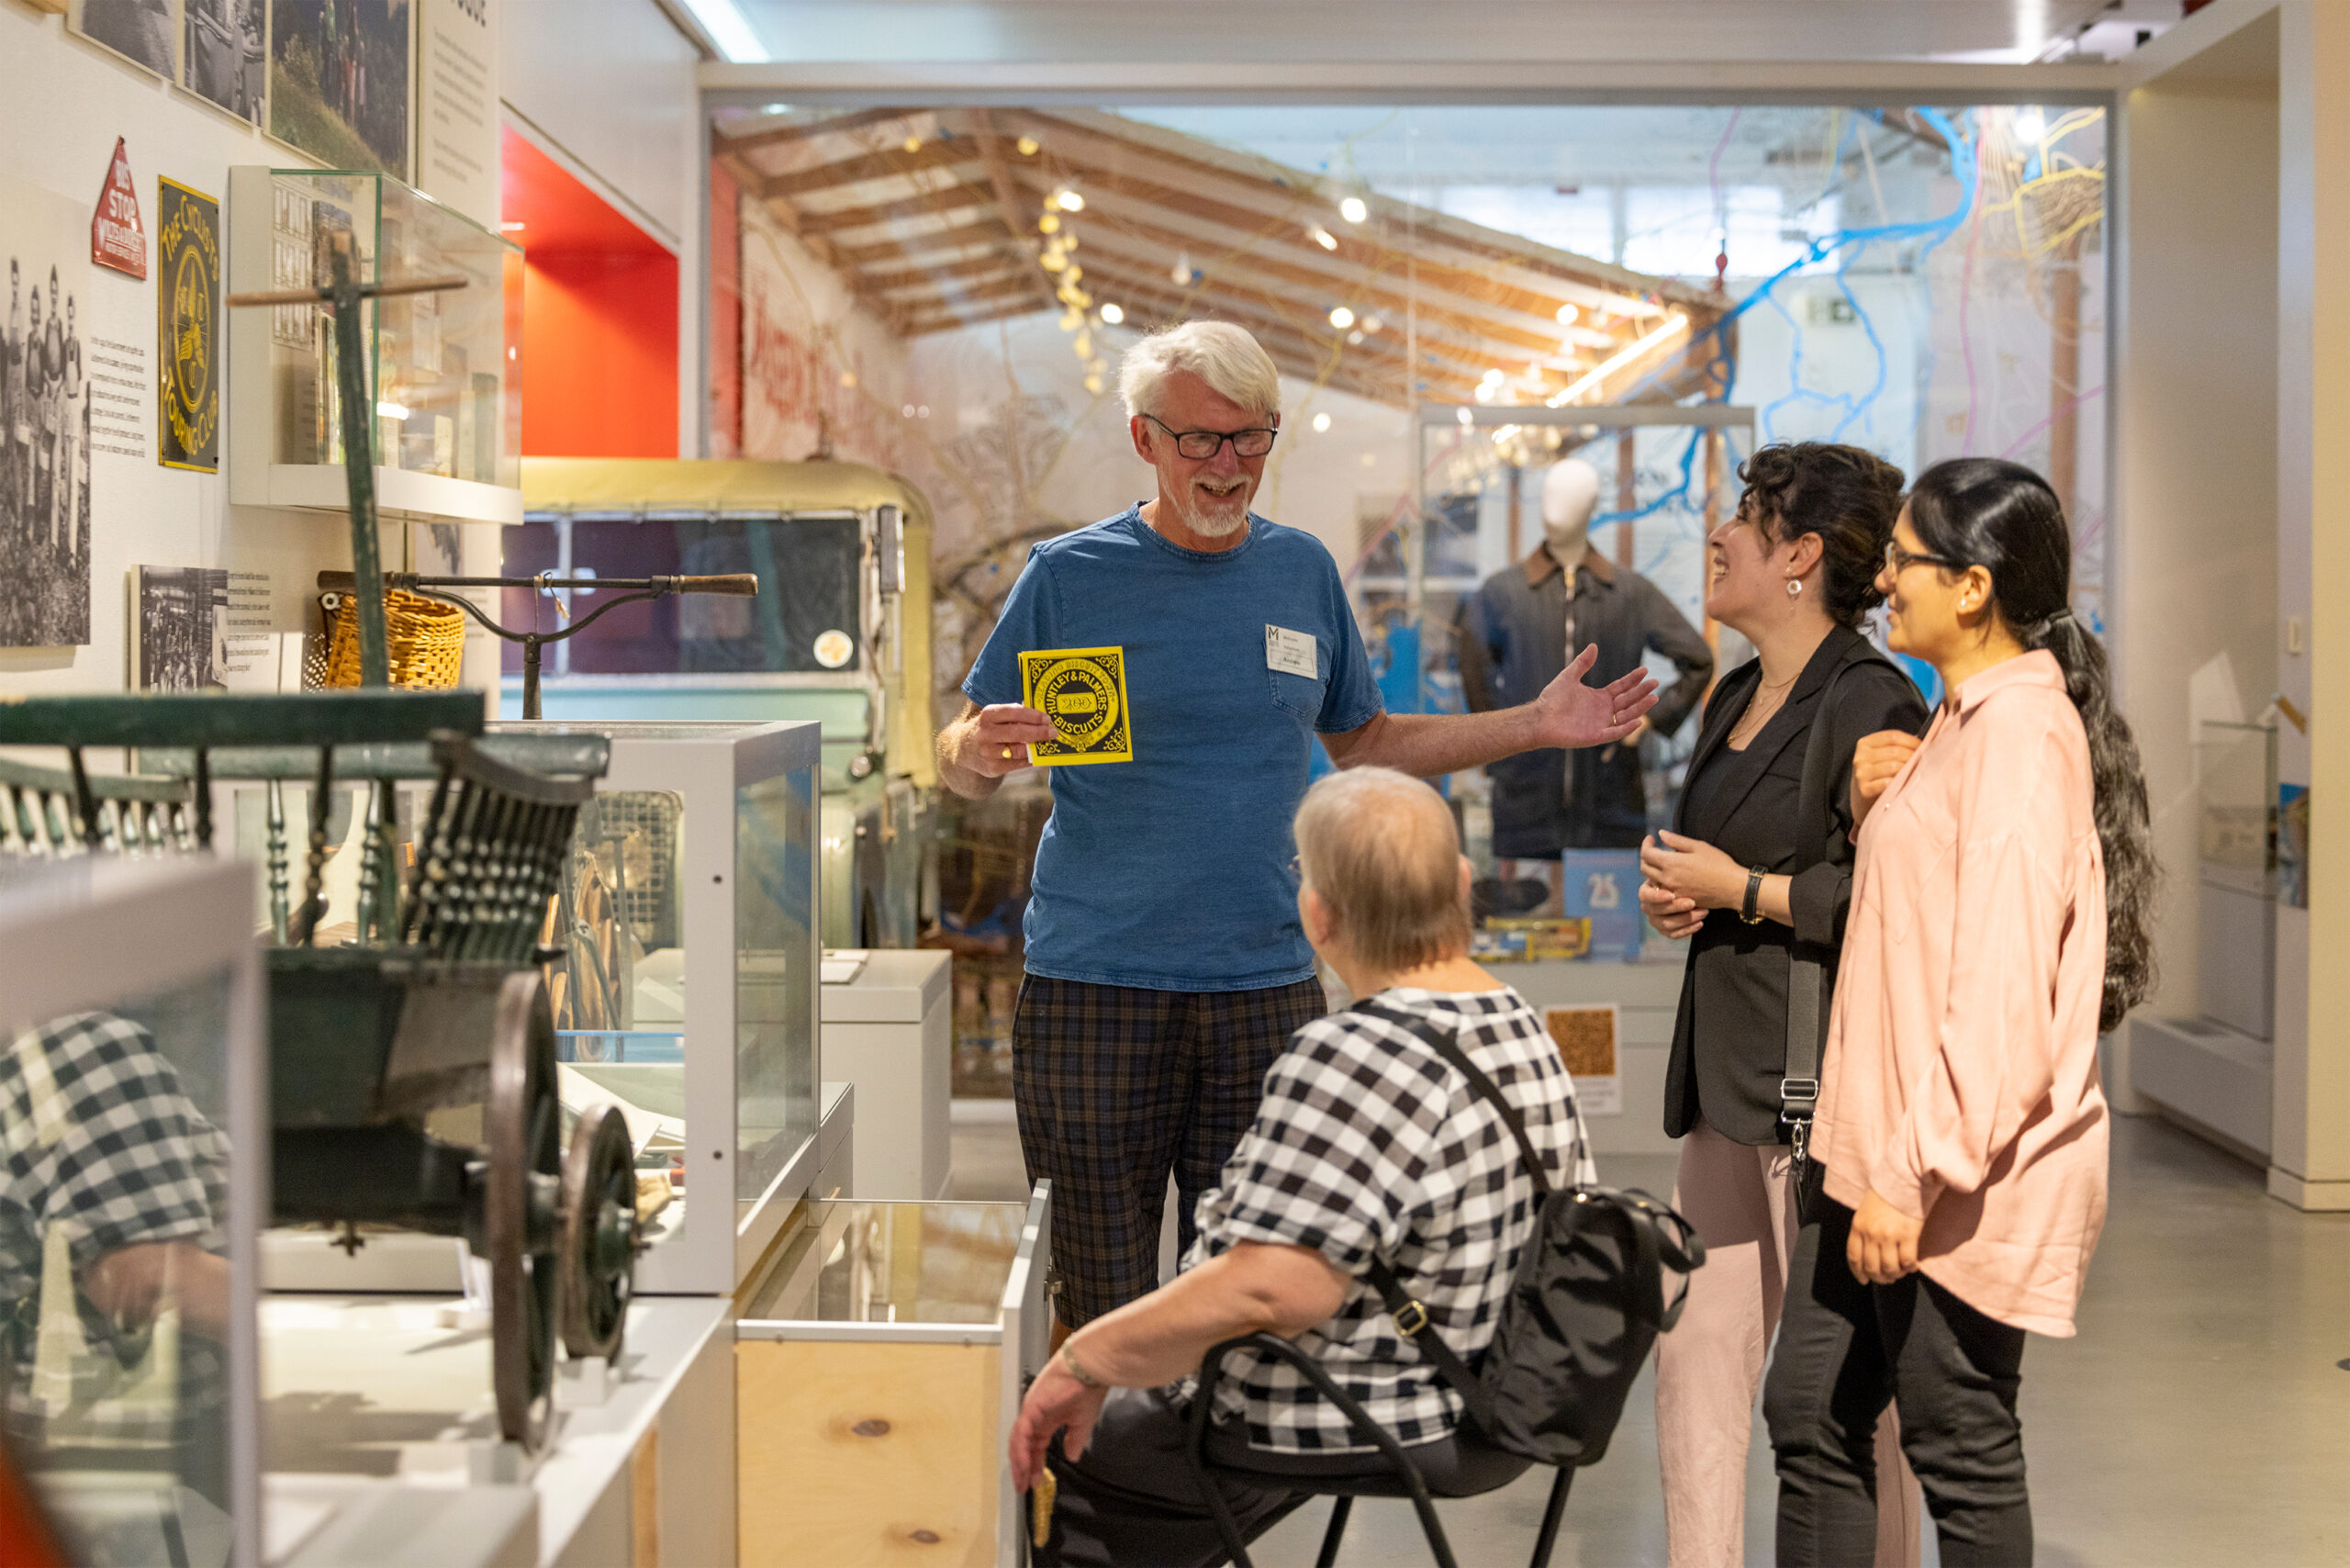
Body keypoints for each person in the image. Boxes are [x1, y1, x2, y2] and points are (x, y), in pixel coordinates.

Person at [940, 321, 1655, 1338]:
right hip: (1093, 985)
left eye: (1250, 439)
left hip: (1262, 992)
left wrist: (1534, 724)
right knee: (1096, 1302)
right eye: (1200, 441)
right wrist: (971, 751)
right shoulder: (1067, 577)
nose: (1228, 467)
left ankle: (1216, 1495)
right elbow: (963, 752)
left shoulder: (1302, 573)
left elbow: (1364, 740)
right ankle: (1100, 1494)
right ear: (1145, 440)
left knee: (1254, 1303)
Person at [1007, 767, 1595, 1568]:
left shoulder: (1354, 1052)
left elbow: (1273, 1289)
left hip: (1353, 1408)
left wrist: (1082, 1359)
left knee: (1007, 1444)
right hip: (1492, 1399)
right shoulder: (1517, 1023)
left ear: (1316, 916)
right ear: (1462, 885)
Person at [1763, 458, 2156, 1566]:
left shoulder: (2024, 741)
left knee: (1959, 1443)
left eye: (1903, 560)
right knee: (1810, 1408)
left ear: (1972, 586)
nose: (1883, 579)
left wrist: (1913, 1172)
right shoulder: (1960, 723)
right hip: (1874, 1153)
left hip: (1944, 1169)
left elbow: (1998, 997)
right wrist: (1869, 794)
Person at [1637, 442, 1929, 1568]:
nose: (1717, 534)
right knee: (1694, 1358)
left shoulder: (1872, 701)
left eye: (1744, 519)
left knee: (1848, 1395)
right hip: (1722, 1081)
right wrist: (1690, 898)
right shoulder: (1733, 690)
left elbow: (1896, 897)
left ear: (1800, 556)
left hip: (1819, 1090)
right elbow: (1719, 857)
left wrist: (1742, 891)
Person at [1458, 456, 1714, 900]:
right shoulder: (1504, 592)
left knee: (1605, 924)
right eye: (1553, 494)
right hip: (1526, 791)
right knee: (1528, 919)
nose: (1558, 508)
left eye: (1573, 497)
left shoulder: (1629, 592)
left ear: (1593, 505)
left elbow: (1698, 659)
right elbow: (1473, 664)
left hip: (1609, 795)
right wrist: (1496, 739)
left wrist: (1650, 722)